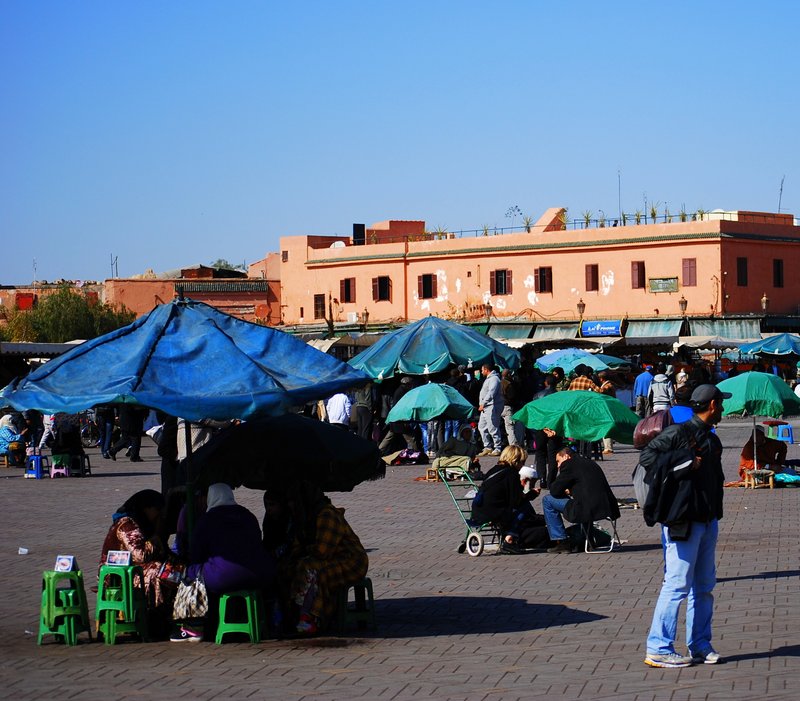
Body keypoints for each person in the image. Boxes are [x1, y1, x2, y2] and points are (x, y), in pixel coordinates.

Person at [639, 384, 728, 668]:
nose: (723, 409)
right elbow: (647, 459)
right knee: (676, 584)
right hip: (682, 520)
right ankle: (658, 646)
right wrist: (687, 461)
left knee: (703, 586)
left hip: (706, 518)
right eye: (721, 404)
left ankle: (700, 644)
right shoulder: (678, 433)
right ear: (712, 405)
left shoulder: (712, 440)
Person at [173, 483, 276, 642]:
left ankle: (193, 627)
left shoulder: (207, 520)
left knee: (191, 573)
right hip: (260, 574)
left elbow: (196, 555)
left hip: (225, 577)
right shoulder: (248, 515)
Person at [276, 481, 368, 635]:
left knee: (312, 569)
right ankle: (291, 615)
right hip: (325, 558)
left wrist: (305, 550)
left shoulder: (327, 515)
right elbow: (298, 548)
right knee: (288, 567)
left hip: (351, 561)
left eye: (293, 502)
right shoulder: (303, 518)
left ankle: (311, 618)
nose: (290, 506)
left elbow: (322, 551)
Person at [99, 489, 177, 637]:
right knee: (158, 571)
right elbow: (140, 554)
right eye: (157, 510)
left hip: (135, 569)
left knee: (171, 569)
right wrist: (156, 539)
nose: (159, 515)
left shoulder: (144, 523)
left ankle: (167, 617)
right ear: (146, 508)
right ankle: (154, 619)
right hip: (117, 576)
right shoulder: (126, 524)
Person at [541, 448, 620, 554]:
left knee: (547, 500)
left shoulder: (569, 464)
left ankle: (562, 541)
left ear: (566, 456)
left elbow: (554, 490)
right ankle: (589, 539)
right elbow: (586, 487)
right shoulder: (589, 462)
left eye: (558, 461)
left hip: (587, 509)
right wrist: (571, 490)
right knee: (583, 501)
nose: (558, 465)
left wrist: (565, 489)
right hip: (608, 507)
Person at [470, 445, 526, 542]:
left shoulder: (494, 469)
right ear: (516, 460)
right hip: (493, 513)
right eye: (522, 462)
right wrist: (528, 493)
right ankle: (510, 537)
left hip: (478, 511)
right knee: (523, 509)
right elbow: (515, 500)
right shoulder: (512, 474)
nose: (523, 465)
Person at [477, 362, 504, 456]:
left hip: (491, 406)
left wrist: (483, 403)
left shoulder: (494, 379)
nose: (481, 371)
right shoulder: (488, 379)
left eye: (482, 370)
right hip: (485, 408)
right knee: (482, 427)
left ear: (486, 370)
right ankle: (487, 446)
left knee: (493, 427)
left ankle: (497, 447)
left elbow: (491, 392)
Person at [500, 369, 524, 447]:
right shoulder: (509, 384)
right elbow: (512, 397)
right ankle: (514, 445)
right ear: (508, 375)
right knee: (510, 427)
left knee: (505, 426)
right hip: (508, 407)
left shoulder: (499, 383)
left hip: (500, 407)